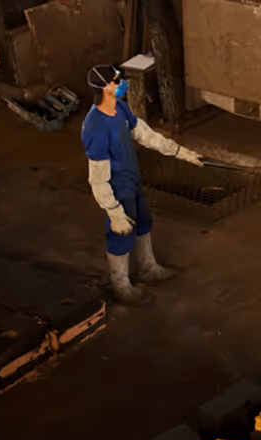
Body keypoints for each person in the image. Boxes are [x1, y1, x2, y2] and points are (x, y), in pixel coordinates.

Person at [81, 64, 206, 303]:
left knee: (142, 222)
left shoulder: (120, 108)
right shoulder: (95, 127)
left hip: (132, 177)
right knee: (121, 231)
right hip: (117, 186)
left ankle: (148, 268)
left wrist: (181, 152)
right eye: (117, 80)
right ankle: (121, 286)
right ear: (106, 87)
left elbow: (144, 134)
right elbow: (97, 177)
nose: (122, 83)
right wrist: (113, 210)